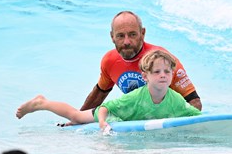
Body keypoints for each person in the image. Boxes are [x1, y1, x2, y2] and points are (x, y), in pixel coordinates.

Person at [15, 49, 201, 130]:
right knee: (77, 117)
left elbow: (193, 114)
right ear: (145, 77)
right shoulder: (135, 97)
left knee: (77, 118)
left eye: (167, 72)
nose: (163, 75)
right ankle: (42, 103)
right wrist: (102, 122)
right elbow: (105, 108)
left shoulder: (175, 98)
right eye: (157, 71)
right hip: (114, 115)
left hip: (130, 119)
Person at [78, 10, 202, 112]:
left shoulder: (162, 60)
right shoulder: (109, 61)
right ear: (112, 37)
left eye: (132, 35)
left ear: (142, 33)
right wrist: (77, 119)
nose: (126, 42)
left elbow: (195, 102)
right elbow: (99, 94)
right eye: (120, 36)